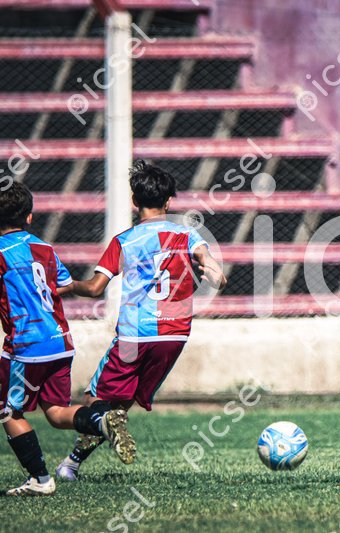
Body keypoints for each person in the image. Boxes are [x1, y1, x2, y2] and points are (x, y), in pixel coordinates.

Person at [56, 160, 226, 480]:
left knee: (95, 399)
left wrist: (66, 286)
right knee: (120, 405)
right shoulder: (187, 235)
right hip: (174, 336)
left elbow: (95, 288)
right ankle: (71, 464)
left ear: (134, 200)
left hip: (136, 335)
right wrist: (215, 276)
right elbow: (215, 271)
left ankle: (74, 460)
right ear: (169, 202)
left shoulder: (124, 240)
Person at [0, 182, 131, 495]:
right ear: (29, 217)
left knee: (9, 411)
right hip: (60, 341)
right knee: (57, 413)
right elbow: (60, 285)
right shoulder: (45, 249)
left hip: (26, 346)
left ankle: (40, 480)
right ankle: (100, 421)